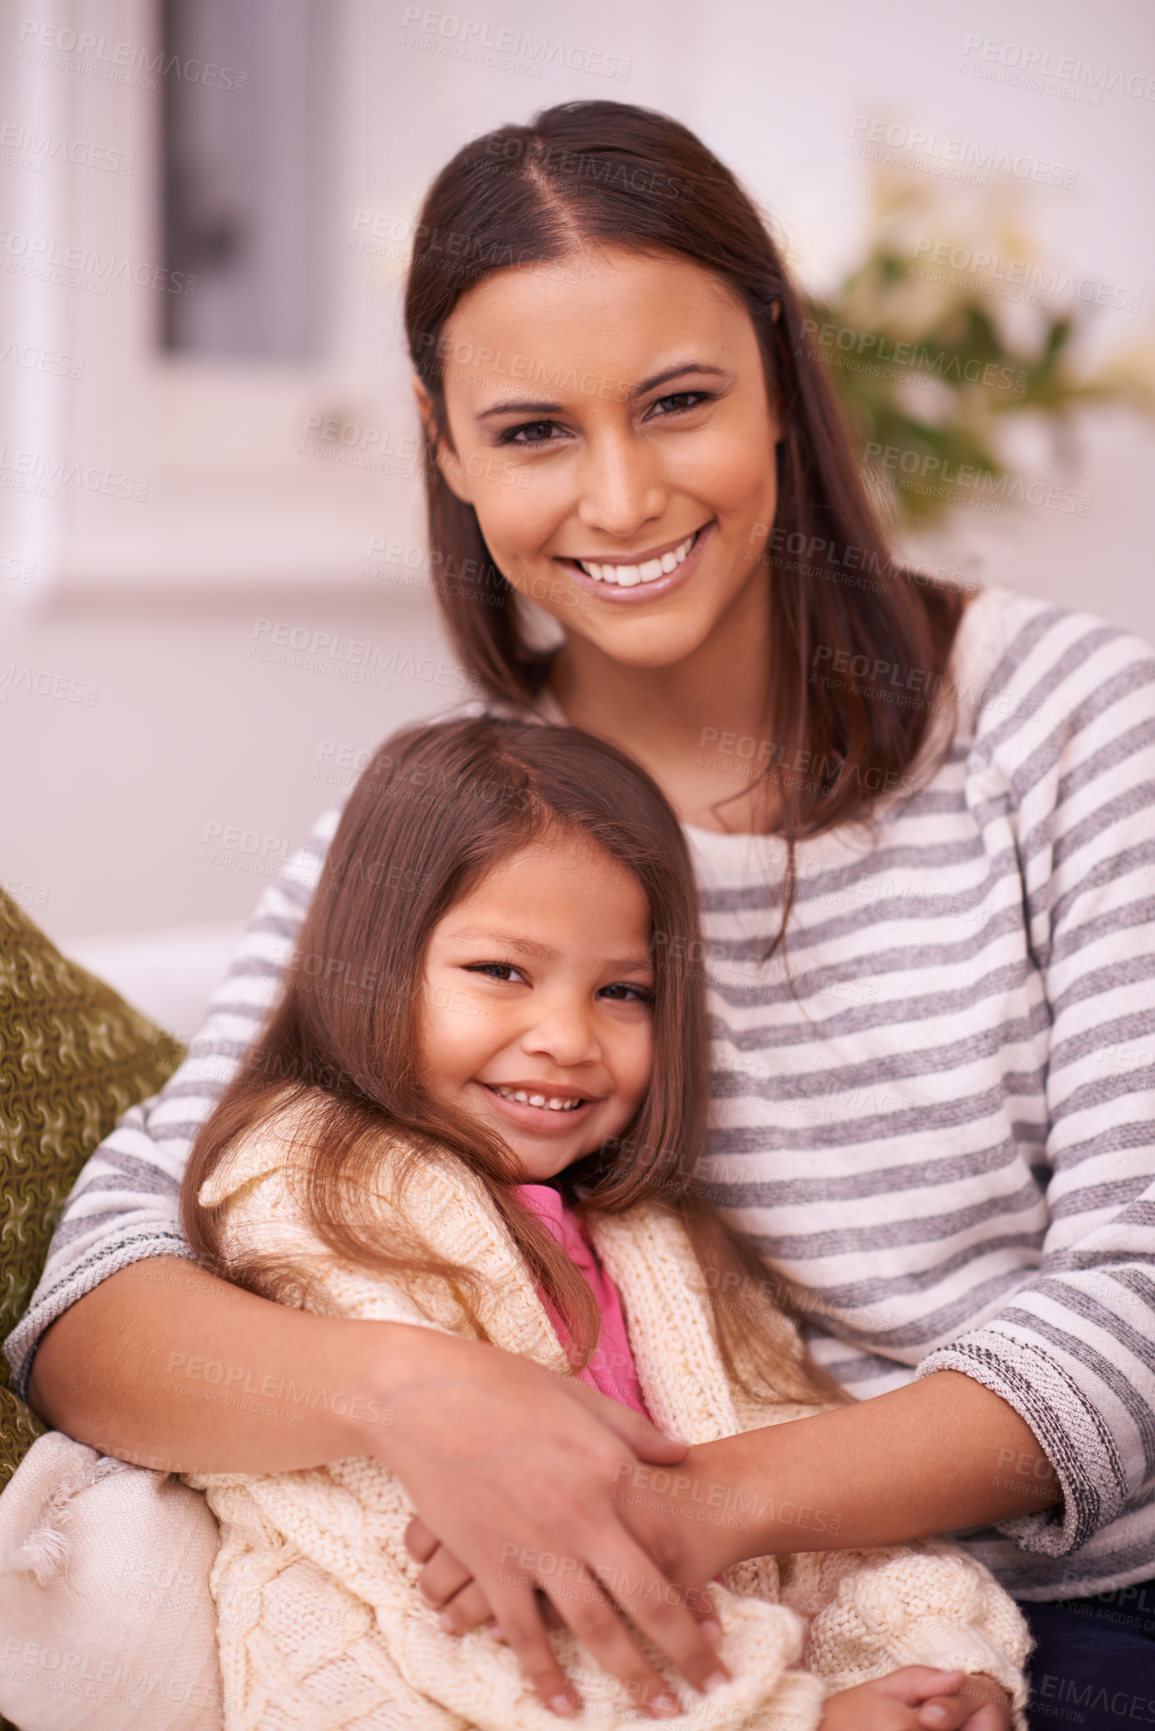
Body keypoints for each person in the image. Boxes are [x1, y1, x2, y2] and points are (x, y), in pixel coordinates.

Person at [8, 99, 1155, 1729]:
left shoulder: (1072, 723)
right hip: (687, 1640)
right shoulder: (441, 836)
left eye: (677, 403)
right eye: (535, 430)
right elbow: (101, 1291)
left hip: (1067, 1604)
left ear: (778, 377)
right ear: (445, 443)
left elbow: (1140, 1292)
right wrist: (418, 1399)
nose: (620, 499)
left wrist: (700, 1509)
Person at [179, 713, 1027, 1731]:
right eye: (502, 972)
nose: (568, 1039)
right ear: (372, 959)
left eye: (623, 991)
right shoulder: (309, 1185)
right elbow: (466, 1593)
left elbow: (800, 1481)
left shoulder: (658, 1240)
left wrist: (932, 1661)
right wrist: (801, 1720)